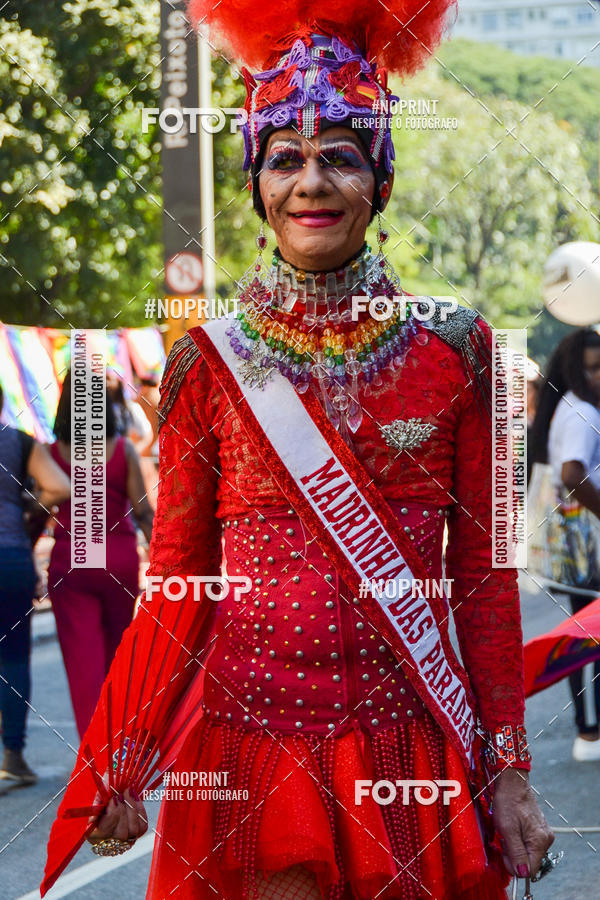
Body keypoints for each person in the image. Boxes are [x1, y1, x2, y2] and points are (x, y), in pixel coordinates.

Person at [43, 4, 555, 898]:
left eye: (341, 157)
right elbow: (177, 580)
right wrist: (123, 752)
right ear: (256, 182)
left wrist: (507, 765)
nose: (311, 183)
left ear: (380, 181)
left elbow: (480, 577)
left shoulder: (457, 350)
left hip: (413, 746)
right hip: (253, 752)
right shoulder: (207, 361)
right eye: (285, 158)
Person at [47, 371, 154, 738]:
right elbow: (143, 512)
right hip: (118, 562)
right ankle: (119, 742)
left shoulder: (50, 454)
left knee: (83, 664)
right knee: (117, 656)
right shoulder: (122, 449)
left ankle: (93, 758)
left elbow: (36, 508)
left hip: (71, 563)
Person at [530, 328, 600, 761]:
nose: (599, 375)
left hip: (577, 540)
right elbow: (574, 474)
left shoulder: (570, 406)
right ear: (575, 369)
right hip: (586, 544)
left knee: (587, 628)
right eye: (592, 367)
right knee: (589, 632)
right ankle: (589, 731)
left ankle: (589, 729)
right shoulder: (581, 410)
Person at [0, 384, 70, 786]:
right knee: (13, 658)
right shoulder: (19, 442)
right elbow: (59, 487)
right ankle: (12, 755)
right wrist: (26, 505)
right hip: (10, 557)